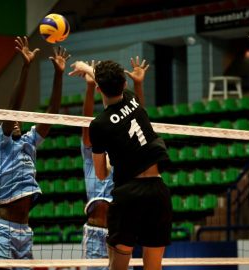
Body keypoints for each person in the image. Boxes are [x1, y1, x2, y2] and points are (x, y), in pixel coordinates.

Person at [69, 60, 171, 270]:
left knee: (118, 265)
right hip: (158, 191)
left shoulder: (99, 125)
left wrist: (110, 157)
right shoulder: (133, 100)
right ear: (124, 84)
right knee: (154, 266)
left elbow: (100, 174)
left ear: (98, 88)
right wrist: (88, 69)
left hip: (129, 195)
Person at [0, 36, 70, 265]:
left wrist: (59, 74)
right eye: (12, 121)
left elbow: (52, 111)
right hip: (1, 228)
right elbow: (14, 109)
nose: (17, 121)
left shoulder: (29, 142)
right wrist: (26, 67)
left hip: (24, 231)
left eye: (19, 120)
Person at [79, 57, 149, 270]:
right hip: (94, 233)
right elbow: (86, 120)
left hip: (119, 230)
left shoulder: (124, 151)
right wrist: (91, 88)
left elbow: (137, 116)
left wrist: (138, 84)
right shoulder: (92, 151)